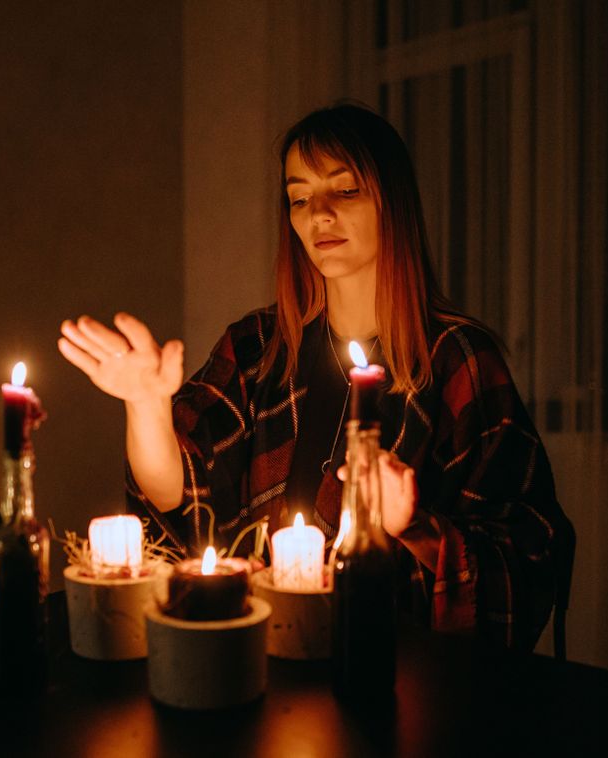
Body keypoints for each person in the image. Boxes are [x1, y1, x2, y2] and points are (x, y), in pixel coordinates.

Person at [58, 103, 570, 650]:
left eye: (344, 191)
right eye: (299, 198)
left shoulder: (459, 359)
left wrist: (411, 522)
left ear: (391, 202)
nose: (317, 214)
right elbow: (175, 496)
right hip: (264, 658)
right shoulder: (259, 346)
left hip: (398, 671)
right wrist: (145, 407)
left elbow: (526, 549)